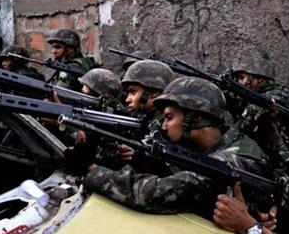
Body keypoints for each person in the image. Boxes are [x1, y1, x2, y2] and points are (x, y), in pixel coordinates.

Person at [82, 77, 272, 218]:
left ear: (195, 118)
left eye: (170, 117)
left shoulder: (231, 160)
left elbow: (156, 193)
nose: (163, 126)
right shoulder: (222, 142)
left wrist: (91, 172)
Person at [231, 56, 289, 170]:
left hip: (282, 164)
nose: (239, 82)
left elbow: (234, 137)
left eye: (242, 77)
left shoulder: (260, 103)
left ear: (259, 79)